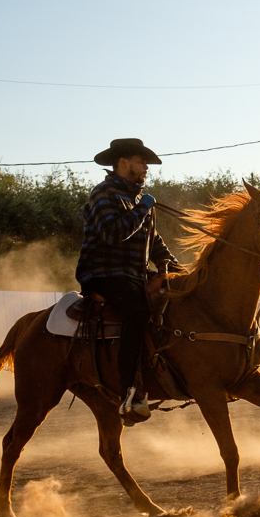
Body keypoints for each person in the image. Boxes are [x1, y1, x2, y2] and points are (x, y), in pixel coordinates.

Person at [76, 138, 182, 423]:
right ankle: (130, 395)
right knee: (137, 311)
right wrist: (143, 208)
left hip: (132, 275)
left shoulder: (137, 200)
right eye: (141, 160)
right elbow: (114, 234)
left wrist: (169, 265)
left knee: (179, 292)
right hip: (104, 275)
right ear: (123, 162)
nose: (146, 166)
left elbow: (154, 241)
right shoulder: (103, 195)